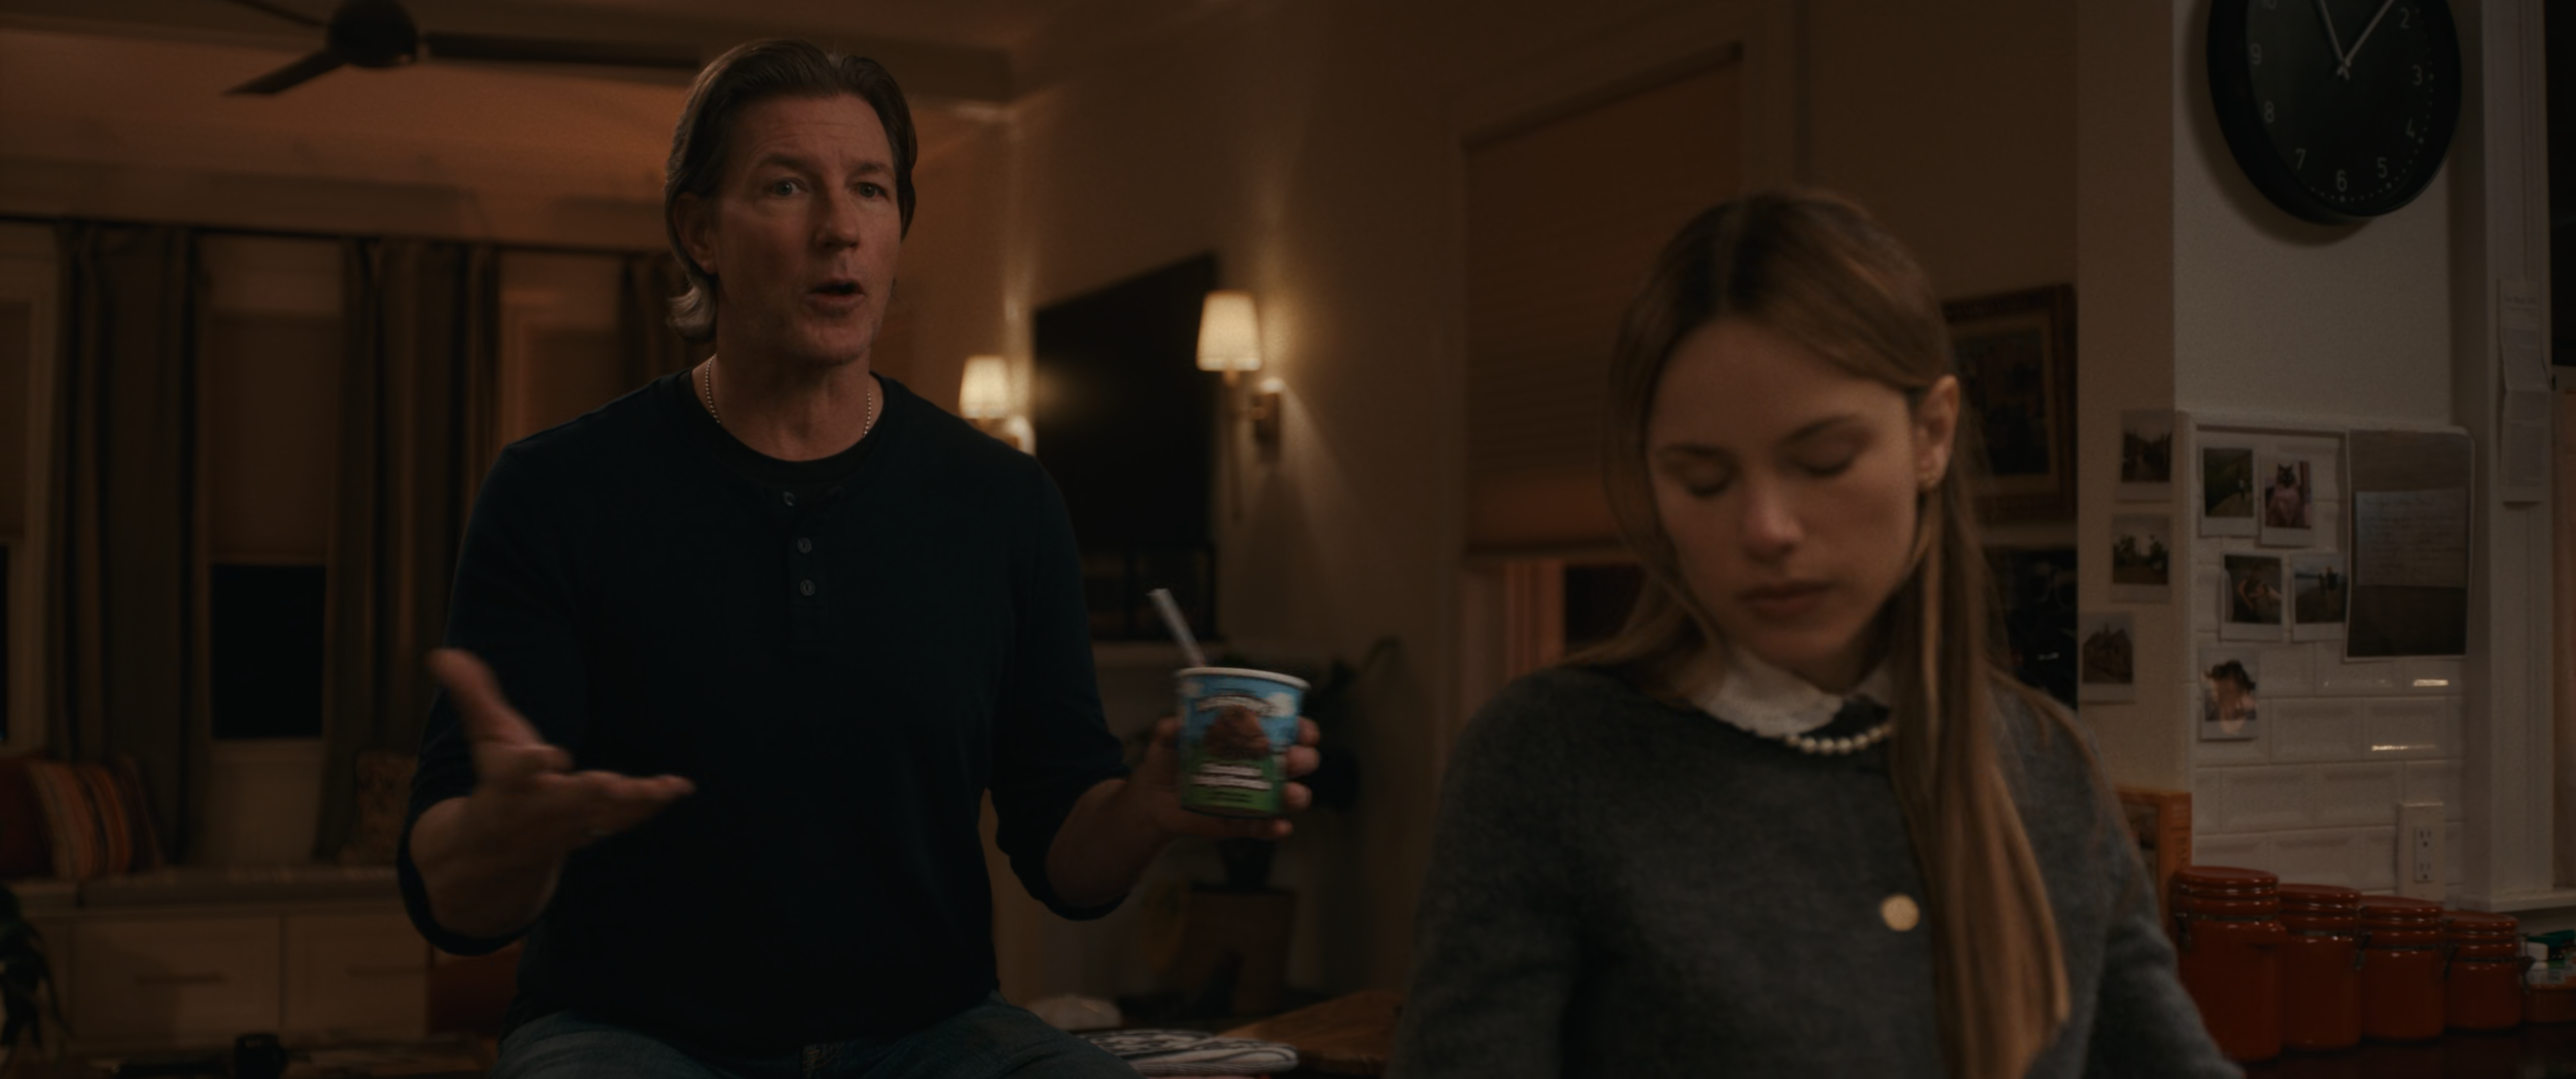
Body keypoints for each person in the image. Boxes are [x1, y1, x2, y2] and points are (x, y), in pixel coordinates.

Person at [398, 40, 1317, 1079]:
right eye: (787, 187)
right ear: (700, 232)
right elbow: (452, 900)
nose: (839, 227)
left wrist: (1145, 807)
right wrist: (507, 837)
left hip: (930, 1029)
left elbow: (1067, 861)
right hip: (628, 1030)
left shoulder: (1005, 502)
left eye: (870, 189)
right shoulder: (558, 491)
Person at [1389, 192, 2236, 1078]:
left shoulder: (2048, 765)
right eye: (1703, 479)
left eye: (1823, 461)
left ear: (1932, 435)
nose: (1766, 529)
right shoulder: (1551, 757)